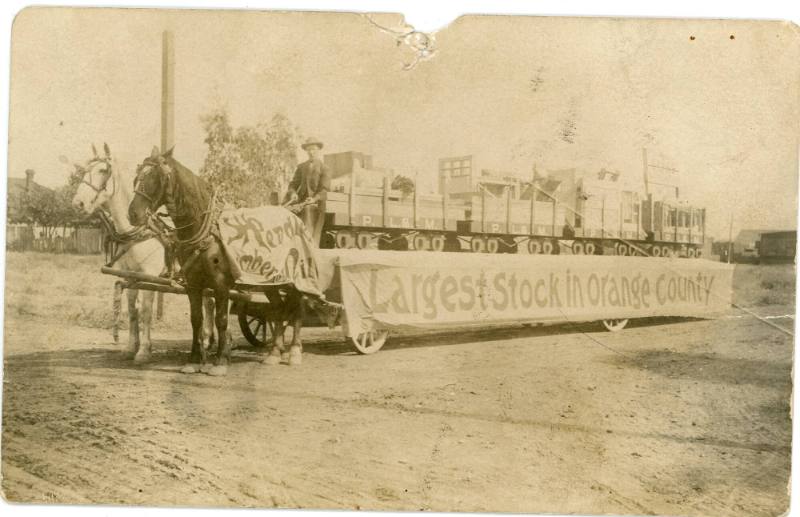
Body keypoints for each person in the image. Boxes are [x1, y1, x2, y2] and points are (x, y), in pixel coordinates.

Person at [283, 137, 330, 244]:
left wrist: (314, 199)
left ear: (318, 150)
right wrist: (293, 193)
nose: (311, 152)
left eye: (313, 149)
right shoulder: (301, 167)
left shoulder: (324, 168)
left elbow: (324, 190)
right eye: (309, 149)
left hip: (317, 205)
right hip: (300, 203)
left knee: (311, 236)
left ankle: (310, 252)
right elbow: (293, 184)